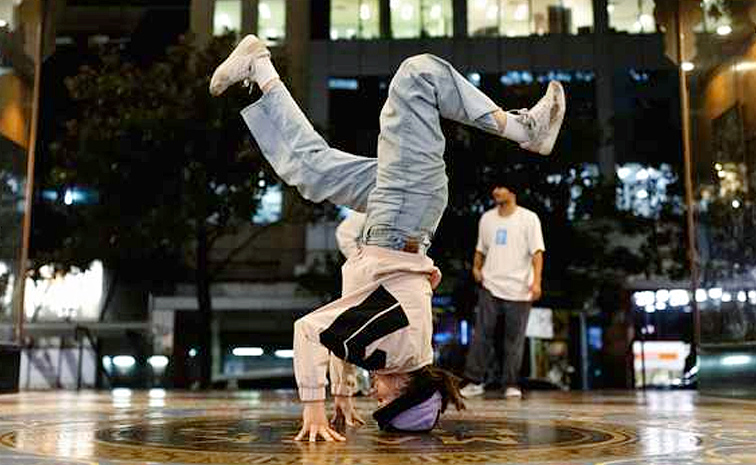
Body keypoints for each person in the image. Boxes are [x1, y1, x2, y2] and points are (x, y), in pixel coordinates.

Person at [209, 34, 565, 441]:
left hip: (395, 215)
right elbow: (310, 331)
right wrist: (314, 408)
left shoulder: (392, 352)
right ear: (404, 387)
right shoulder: (401, 349)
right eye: (382, 400)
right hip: (405, 209)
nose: (374, 395)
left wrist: (341, 393)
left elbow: (342, 336)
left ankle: (260, 67)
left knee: (312, 172)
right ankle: (525, 128)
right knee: (418, 75)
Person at [459, 181, 545, 399]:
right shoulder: (487, 218)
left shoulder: (528, 218)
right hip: (490, 285)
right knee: (482, 334)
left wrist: (537, 282)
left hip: (520, 288)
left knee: (513, 339)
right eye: (494, 187)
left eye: (501, 187)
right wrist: (476, 268)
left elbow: (537, 253)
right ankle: (474, 380)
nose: (496, 191)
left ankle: (511, 383)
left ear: (513, 191)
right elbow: (481, 248)